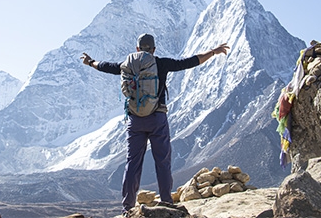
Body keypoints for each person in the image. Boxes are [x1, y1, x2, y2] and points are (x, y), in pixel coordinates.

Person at [81, 34, 229, 217]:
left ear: (137, 49)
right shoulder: (161, 63)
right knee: (162, 161)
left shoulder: (126, 65)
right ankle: (166, 201)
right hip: (157, 118)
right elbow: (188, 62)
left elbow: (106, 66)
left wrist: (90, 62)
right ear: (153, 49)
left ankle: (128, 208)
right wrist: (213, 52)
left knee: (132, 163)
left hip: (135, 120)